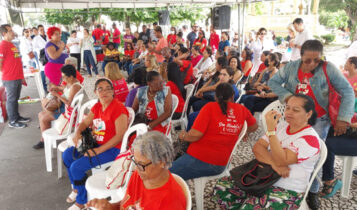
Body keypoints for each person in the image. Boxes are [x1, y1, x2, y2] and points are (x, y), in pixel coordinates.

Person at [268, 39, 355, 210]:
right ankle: (281, 183)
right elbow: (273, 82)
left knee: (313, 158)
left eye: (317, 60)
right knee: (282, 148)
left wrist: (343, 118)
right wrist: (287, 97)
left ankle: (312, 192)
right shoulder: (291, 68)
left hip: (319, 119)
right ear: (300, 57)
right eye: (308, 60)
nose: (312, 64)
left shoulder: (328, 69)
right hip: (294, 116)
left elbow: (347, 91)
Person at [214, 94, 321, 209]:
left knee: (250, 207)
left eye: (295, 110)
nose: (289, 113)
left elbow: (282, 160)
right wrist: (274, 164)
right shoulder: (282, 126)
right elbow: (258, 148)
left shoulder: (310, 139)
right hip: (262, 178)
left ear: (308, 114)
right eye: (288, 108)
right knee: (223, 187)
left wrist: (271, 132)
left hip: (287, 189)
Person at [63, 78, 128, 209]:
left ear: (113, 92)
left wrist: (98, 151)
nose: (104, 92)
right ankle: (77, 188)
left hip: (112, 149)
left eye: (108, 89)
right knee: (67, 155)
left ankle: (81, 201)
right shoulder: (97, 106)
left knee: (76, 167)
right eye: (100, 89)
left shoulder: (118, 108)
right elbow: (85, 123)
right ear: (95, 92)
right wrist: (77, 133)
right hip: (96, 145)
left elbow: (120, 135)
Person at [170, 83, 257, 180]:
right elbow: (254, 126)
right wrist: (241, 130)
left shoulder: (210, 107)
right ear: (232, 96)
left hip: (202, 159)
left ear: (216, 96)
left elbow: (195, 135)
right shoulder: (242, 109)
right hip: (220, 161)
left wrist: (183, 136)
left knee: (164, 174)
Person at [87, 131, 187, 210]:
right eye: (135, 161)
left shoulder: (170, 202)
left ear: (162, 162)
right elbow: (126, 205)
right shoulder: (139, 175)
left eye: (142, 165)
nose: (137, 169)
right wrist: (110, 207)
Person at [34, 65, 82, 149]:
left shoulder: (75, 87)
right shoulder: (72, 82)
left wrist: (57, 95)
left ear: (70, 77)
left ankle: (44, 141)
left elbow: (69, 103)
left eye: (64, 77)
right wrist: (56, 89)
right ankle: (45, 140)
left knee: (43, 117)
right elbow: (65, 89)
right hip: (63, 107)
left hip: (66, 110)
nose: (63, 79)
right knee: (41, 114)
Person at [0, 24, 31, 129]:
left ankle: (16, 117)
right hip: (10, 78)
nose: (13, 32)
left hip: (17, 76)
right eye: (10, 31)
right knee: (11, 99)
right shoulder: (3, 45)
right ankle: (12, 120)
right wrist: (7, 72)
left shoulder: (12, 44)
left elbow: (16, 60)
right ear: (4, 33)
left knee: (15, 98)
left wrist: (21, 75)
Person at [32, 24, 48, 91]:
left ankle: (52, 86)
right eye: (41, 30)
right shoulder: (36, 38)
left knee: (50, 70)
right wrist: (42, 49)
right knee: (43, 71)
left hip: (50, 55)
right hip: (42, 56)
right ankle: (44, 87)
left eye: (43, 29)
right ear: (38, 31)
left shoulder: (48, 36)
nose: (42, 30)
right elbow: (34, 48)